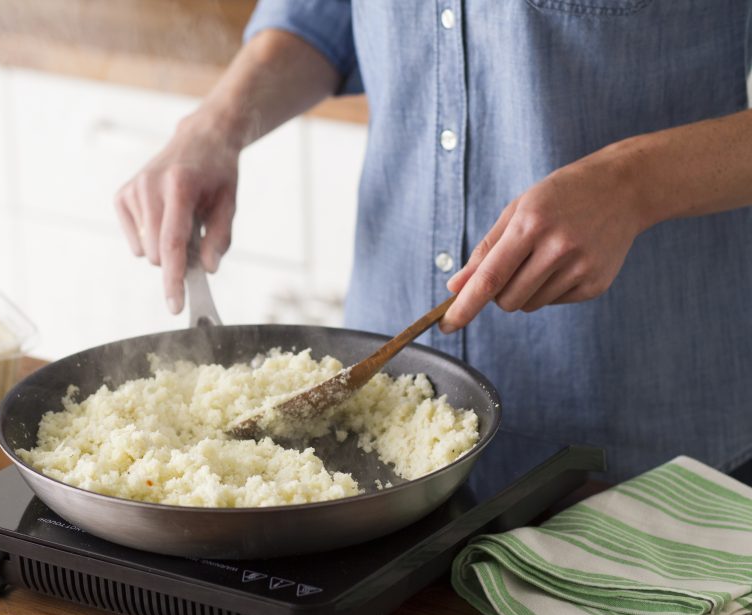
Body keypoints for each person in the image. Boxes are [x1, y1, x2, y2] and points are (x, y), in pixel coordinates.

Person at [114, 1, 752, 482]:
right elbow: (322, 16)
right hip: (367, 447)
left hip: (640, 462)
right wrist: (218, 123)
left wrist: (631, 184)